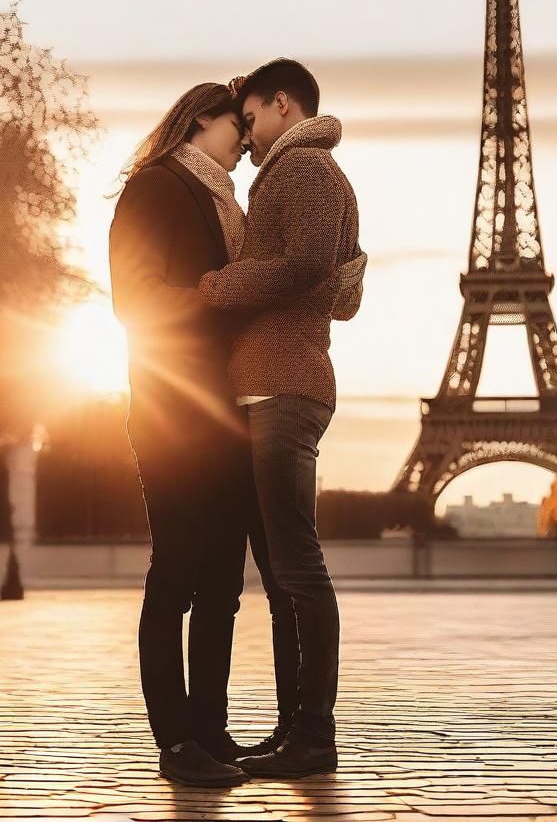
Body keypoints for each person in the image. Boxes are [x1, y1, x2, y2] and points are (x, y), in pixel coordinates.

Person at [108, 82, 296, 787]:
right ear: (198, 120)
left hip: (222, 413)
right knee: (177, 576)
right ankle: (174, 741)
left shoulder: (221, 202)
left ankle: (209, 731)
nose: (247, 143)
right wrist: (220, 299)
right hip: (172, 413)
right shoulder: (155, 189)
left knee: (220, 584)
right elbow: (134, 299)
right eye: (235, 129)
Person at [199, 58, 366, 779]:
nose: (247, 131)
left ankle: (314, 736)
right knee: (286, 570)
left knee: (297, 568)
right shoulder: (315, 174)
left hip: (283, 386)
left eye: (252, 115)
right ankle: (296, 729)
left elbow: (303, 267)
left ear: (283, 104)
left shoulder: (303, 170)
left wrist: (214, 286)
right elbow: (342, 287)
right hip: (282, 381)